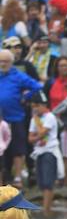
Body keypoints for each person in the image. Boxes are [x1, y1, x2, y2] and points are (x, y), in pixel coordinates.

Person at [0, 49, 42, 188]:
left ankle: (18, 177)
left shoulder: (18, 75)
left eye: (5, 61)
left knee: (18, 149)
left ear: (11, 62)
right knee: (2, 150)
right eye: (0, 61)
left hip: (16, 117)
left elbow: (36, 86)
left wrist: (25, 97)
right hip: (1, 120)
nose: (2, 64)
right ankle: (4, 177)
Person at [27, 92, 59, 216]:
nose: (34, 109)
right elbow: (30, 138)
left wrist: (37, 134)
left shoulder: (49, 117)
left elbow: (41, 133)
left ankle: (47, 209)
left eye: (36, 106)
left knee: (48, 182)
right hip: (39, 152)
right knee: (41, 182)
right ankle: (46, 208)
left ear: (42, 105)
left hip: (49, 151)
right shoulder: (33, 119)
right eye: (32, 106)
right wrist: (37, 135)